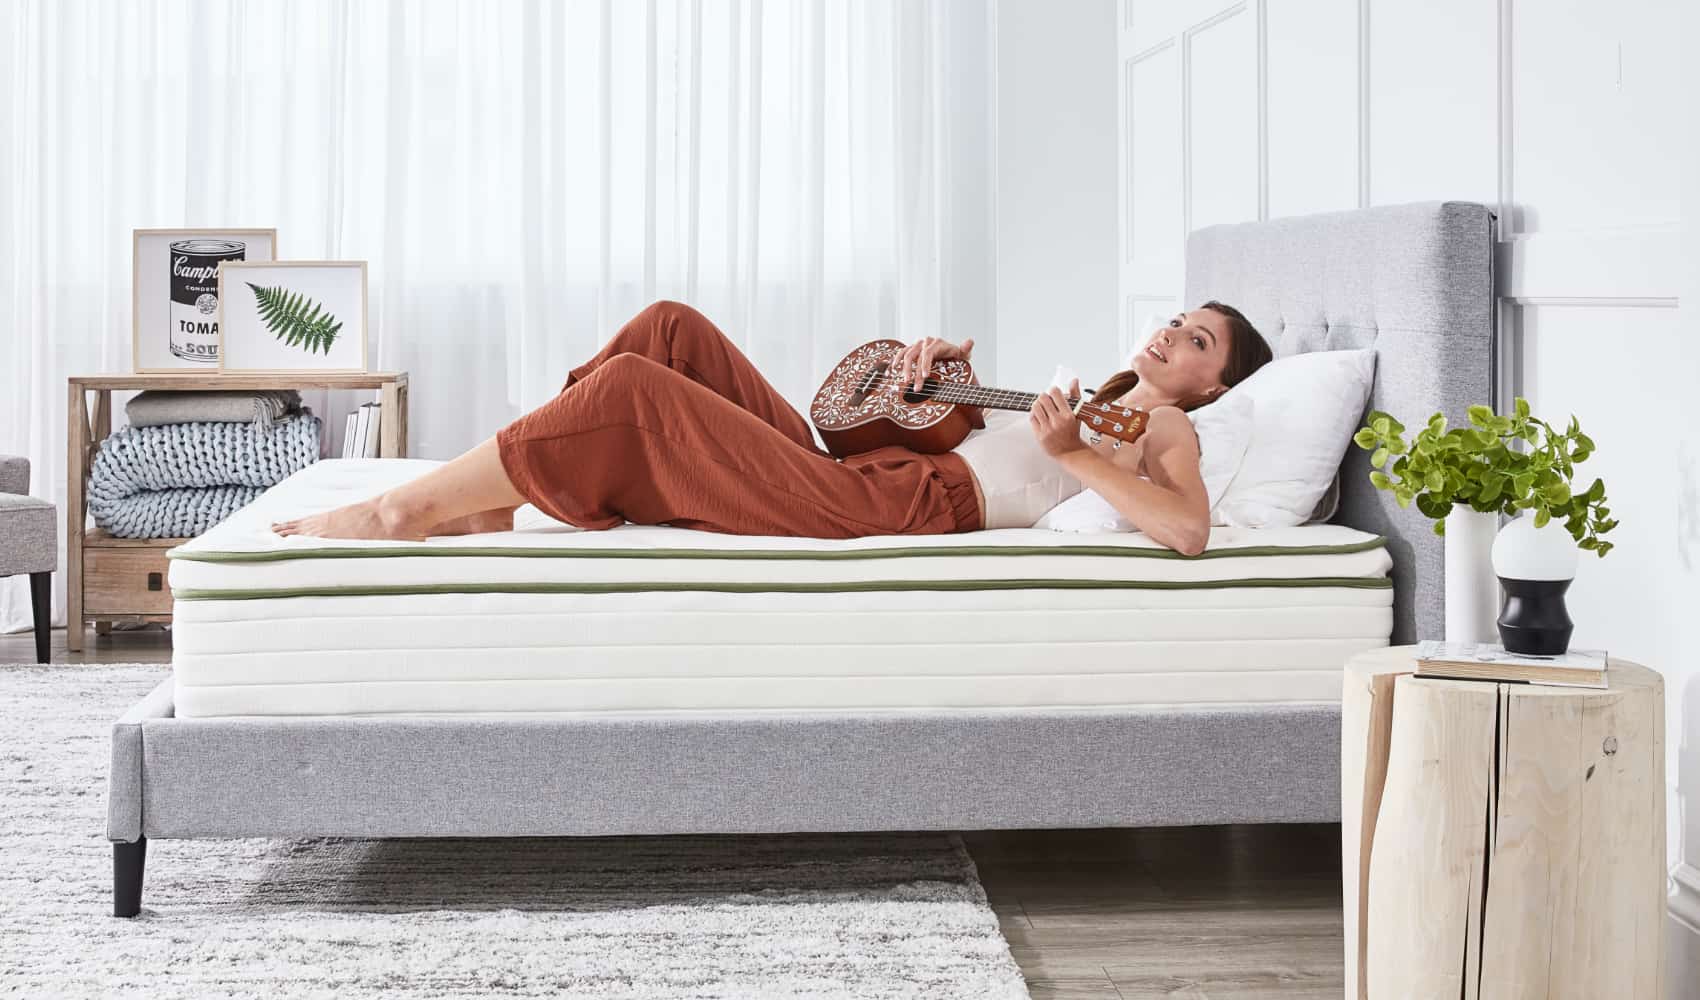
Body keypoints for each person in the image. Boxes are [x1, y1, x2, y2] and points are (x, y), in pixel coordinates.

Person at [272, 299, 1271, 553]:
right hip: (866, 464)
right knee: (669, 329)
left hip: (893, 507)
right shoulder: (1075, 394)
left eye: (1196, 343)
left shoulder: (1160, 436)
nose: (1170, 336)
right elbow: (925, 437)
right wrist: (938, 384)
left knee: (631, 386)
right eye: (1175, 321)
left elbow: (1183, 530)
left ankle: (400, 510)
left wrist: (1067, 457)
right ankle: (493, 495)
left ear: (1212, 388)